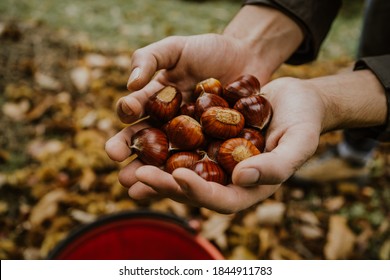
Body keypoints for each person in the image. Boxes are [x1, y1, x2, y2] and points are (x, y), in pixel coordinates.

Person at [105, 0, 390, 214]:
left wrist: (326, 100)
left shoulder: (219, 121)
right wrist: (247, 45)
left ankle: (354, 157)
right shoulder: (216, 119)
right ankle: (354, 152)